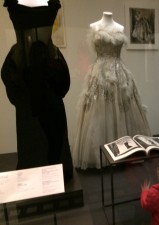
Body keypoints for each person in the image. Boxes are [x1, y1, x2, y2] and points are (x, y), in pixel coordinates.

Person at [1, 0, 73, 181]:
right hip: (25, 79)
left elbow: (63, 86)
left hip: (48, 79)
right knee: (31, 139)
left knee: (54, 140)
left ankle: (57, 174)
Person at [71, 12, 151, 169]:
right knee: (99, 112)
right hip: (99, 75)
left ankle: (125, 151)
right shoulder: (94, 26)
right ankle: (101, 154)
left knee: (122, 111)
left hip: (120, 74)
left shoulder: (120, 27)